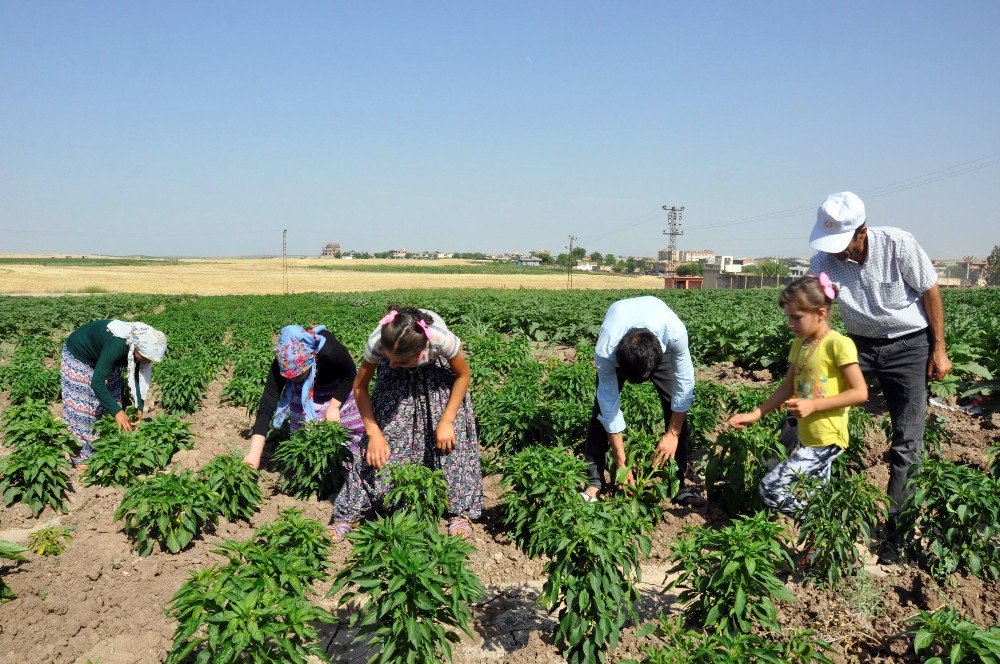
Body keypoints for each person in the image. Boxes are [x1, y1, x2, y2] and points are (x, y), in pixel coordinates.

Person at [808, 191, 951, 564]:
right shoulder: (824, 261)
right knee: (811, 414)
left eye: (844, 244)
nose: (838, 253)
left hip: (909, 346)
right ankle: (813, 516)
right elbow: (815, 304)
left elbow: (930, 291)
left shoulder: (898, 244)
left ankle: (897, 533)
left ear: (862, 232)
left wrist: (939, 349)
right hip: (859, 346)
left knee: (907, 439)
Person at [328, 306, 483, 542]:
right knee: (379, 447)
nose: (390, 365)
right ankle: (350, 513)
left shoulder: (440, 340)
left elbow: (463, 376)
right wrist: (374, 432)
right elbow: (359, 387)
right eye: (388, 360)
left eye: (398, 362)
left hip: (438, 380)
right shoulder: (379, 343)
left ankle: (459, 511)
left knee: (449, 443)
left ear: (421, 350)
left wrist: (447, 420)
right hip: (395, 384)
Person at [729, 275, 868, 515]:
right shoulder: (800, 344)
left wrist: (813, 405)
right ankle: (818, 545)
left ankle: (816, 522)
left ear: (821, 313)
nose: (790, 324)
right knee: (818, 496)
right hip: (808, 436)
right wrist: (756, 413)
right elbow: (787, 387)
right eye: (788, 317)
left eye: (796, 317)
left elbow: (860, 392)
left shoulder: (838, 344)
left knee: (770, 489)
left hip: (828, 438)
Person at [580, 296, 701, 505]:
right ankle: (594, 482)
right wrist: (621, 463)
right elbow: (609, 407)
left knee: (675, 409)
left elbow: (685, 386)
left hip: (658, 341)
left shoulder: (674, 332)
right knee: (600, 411)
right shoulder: (607, 349)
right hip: (620, 338)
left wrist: (672, 433)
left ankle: (678, 485)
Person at [243, 325, 364, 469]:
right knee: (304, 435)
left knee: (347, 430)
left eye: (297, 374)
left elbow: (350, 375)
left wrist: (334, 406)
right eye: (289, 376)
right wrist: (253, 455)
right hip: (306, 390)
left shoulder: (329, 351)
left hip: (338, 386)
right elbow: (267, 404)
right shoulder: (284, 360)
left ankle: (346, 467)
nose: (293, 379)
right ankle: (309, 469)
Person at [61, 320, 167, 465]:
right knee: (84, 409)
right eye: (147, 358)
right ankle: (83, 458)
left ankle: (105, 444)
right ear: (137, 349)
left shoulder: (137, 351)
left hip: (103, 355)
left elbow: (137, 377)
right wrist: (118, 412)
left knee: (112, 398)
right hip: (80, 354)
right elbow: (97, 382)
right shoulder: (118, 345)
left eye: (151, 360)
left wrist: (139, 408)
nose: (148, 362)